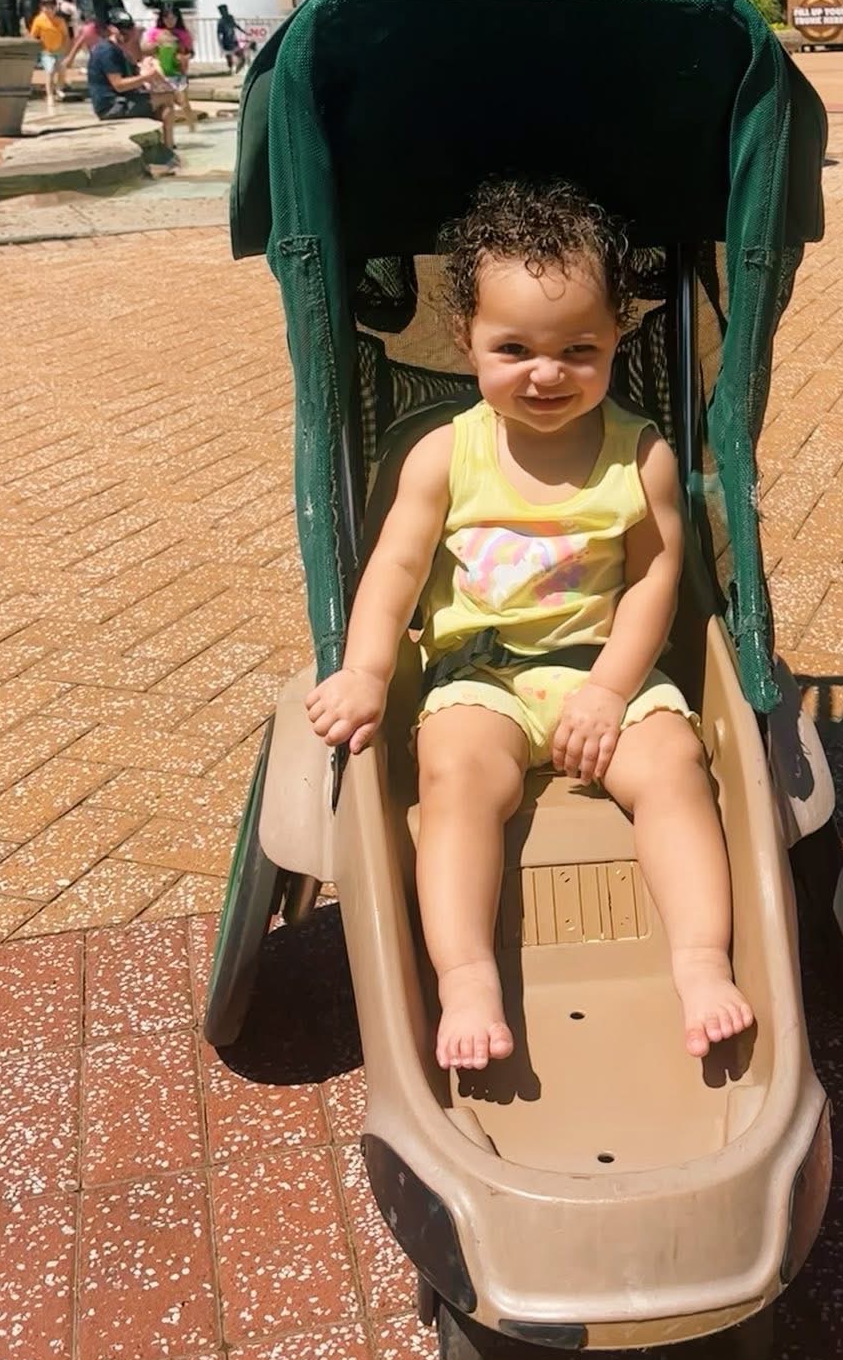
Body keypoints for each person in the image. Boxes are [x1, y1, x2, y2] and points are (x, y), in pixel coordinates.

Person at [304, 179, 753, 1072]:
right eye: (514, 349)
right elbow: (393, 574)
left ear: (617, 336)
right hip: (482, 677)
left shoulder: (641, 454)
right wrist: (365, 671)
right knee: (454, 778)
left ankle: (702, 960)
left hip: (604, 672)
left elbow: (655, 577)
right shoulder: (445, 454)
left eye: (578, 350)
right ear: (465, 336)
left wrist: (611, 690)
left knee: (675, 769)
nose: (547, 374)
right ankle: (466, 976)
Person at [86, 12, 178, 160]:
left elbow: (136, 73)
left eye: (129, 27)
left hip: (123, 100)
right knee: (167, 97)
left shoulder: (119, 50)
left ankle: (166, 148)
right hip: (111, 106)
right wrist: (146, 78)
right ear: (112, 28)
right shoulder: (107, 51)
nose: (127, 31)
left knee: (166, 105)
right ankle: (168, 148)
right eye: (122, 28)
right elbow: (119, 85)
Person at [146, 3, 196, 129]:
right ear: (162, 18)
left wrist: (185, 57)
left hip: (178, 73)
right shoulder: (154, 33)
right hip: (161, 74)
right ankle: (167, 131)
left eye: (173, 18)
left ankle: (192, 128)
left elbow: (191, 52)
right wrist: (156, 45)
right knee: (165, 105)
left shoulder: (183, 34)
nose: (170, 21)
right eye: (167, 18)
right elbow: (147, 50)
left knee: (184, 103)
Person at [27, 0, 71, 116]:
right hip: (46, 51)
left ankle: (59, 88)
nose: (49, 10)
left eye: (52, 8)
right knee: (50, 72)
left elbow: (66, 36)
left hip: (60, 49)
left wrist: (66, 50)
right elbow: (33, 36)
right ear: (42, 8)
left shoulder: (60, 21)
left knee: (62, 71)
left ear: (56, 8)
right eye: (47, 7)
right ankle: (50, 95)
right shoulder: (39, 20)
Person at [216, 4, 242, 73]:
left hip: (233, 39)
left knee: (239, 54)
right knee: (228, 56)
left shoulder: (230, 17)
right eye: (221, 11)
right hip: (226, 40)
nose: (223, 12)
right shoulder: (220, 21)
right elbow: (219, 33)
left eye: (224, 10)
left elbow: (235, 25)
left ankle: (238, 68)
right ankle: (231, 69)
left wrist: (244, 32)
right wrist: (220, 43)